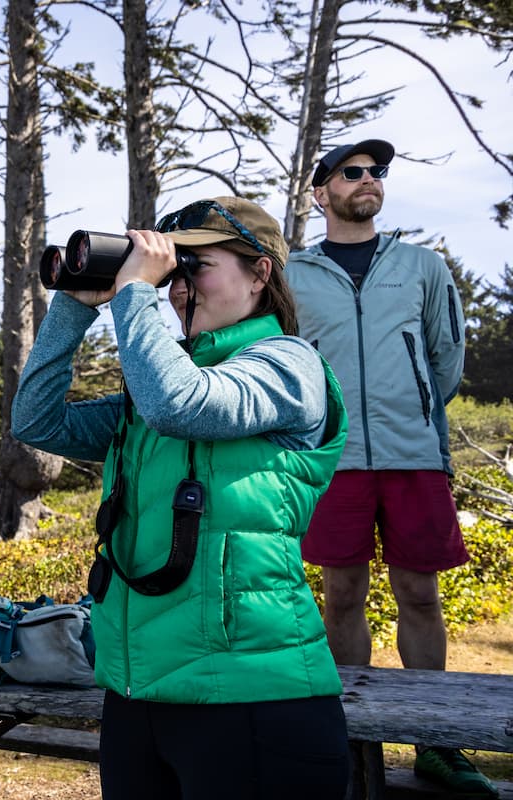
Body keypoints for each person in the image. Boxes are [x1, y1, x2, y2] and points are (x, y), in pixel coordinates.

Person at [12, 197, 351, 799]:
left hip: (252, 693)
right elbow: (38, 423)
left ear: (260, 273)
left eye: (196, 265)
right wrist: (73, 306)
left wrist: (134, 293)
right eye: (172, 272)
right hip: (137, 690)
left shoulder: (289, 363)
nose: (174, 287)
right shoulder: (155, 382)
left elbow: (183, 404)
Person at [289, 140, 493, 797]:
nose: (369, 179)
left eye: (377, 171)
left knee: (420, 593)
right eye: (353, 172)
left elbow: (445, 355)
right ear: (321, 193)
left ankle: (437, 743)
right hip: (333, 456)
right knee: (340, 594)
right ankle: (350, 738)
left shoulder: (422, 267)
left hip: (413, 456)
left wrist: (415, 409)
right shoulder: (293, 274)